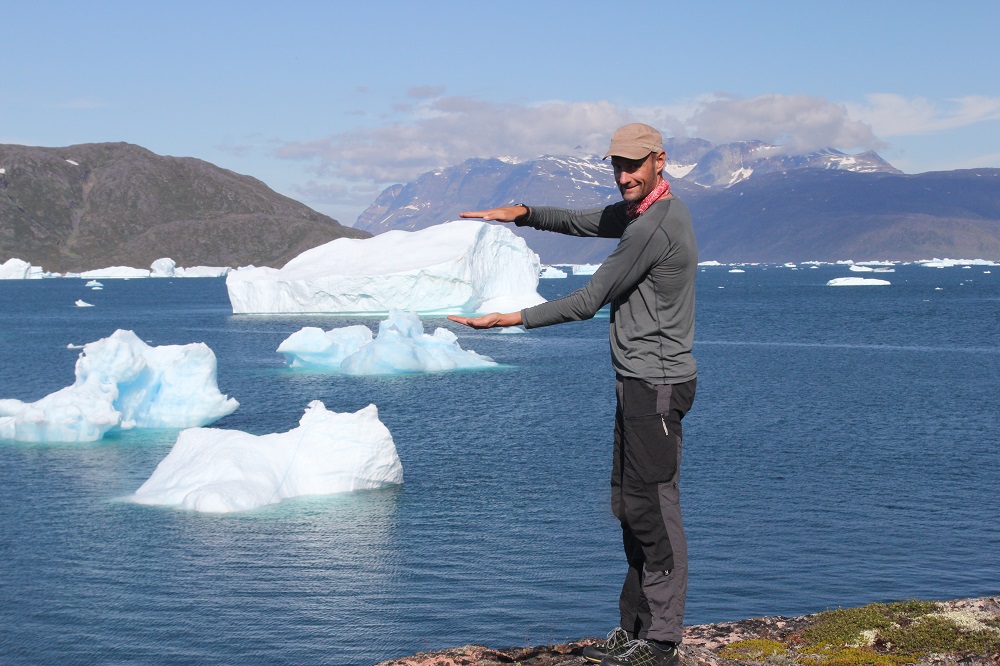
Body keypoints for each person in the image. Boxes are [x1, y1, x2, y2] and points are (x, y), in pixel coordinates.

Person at [448, 123, 697, 666]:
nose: (624, 174)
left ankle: (661, 641)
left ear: (660, 161)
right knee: (631, 506)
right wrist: (525, 213)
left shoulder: (654, 226)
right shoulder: (640, 212)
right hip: (638, 383)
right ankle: (635, 629)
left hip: (655, 386)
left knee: (653, 509)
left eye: (634, 165)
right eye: (617, 165)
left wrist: (510, 319)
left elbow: (588, 300)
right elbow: (586, 221)